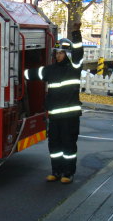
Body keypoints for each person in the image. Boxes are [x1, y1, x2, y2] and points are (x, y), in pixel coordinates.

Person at [24, 27, 83, 184]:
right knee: (54, 146)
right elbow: (31, 74)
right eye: (56, 53)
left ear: (68, 54)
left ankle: (68, 173)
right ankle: (56, 172)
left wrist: (76, 34)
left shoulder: (74, 68)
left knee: (68, 146)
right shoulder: (50, 70)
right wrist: (14, 70)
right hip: (55, 117)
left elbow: (78, 53)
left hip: (70, 117)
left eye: (61, 53)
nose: (58, 56)